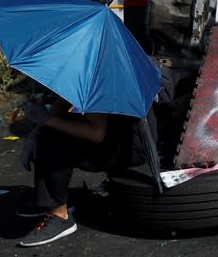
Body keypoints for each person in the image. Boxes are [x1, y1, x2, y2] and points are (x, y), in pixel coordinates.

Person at [18, 96, 146, 247]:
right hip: (119, 137)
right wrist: (37, 131)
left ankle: (60, 216)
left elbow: (96, 133)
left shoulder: (99, 78)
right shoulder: (86, 76)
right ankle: (50, 199)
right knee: (52, 127)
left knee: (54, 137)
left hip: (130, 149)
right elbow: (66, 102)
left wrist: (46, 121)